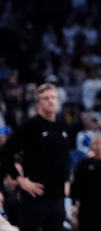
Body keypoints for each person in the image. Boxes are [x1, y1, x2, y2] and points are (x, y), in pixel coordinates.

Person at [0, 83, 71, 231]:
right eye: (46, 98)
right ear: (39, 103)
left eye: (53, 97)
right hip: (35, 196)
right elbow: (5, 153)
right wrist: (20, 180)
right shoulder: (30, 126)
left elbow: (65, 157)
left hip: (58, 197)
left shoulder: (62, 127)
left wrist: (67, 180)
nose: (51, 101)